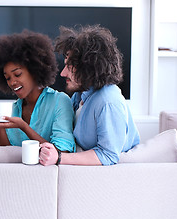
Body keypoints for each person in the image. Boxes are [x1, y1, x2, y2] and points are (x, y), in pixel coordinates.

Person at [39, 25, 140, 166]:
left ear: (89, 67)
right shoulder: (80, 95)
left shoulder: (108, 102)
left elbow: (108, 155)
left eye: (69, 66)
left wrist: (60, 158)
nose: (63, 73)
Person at [0, 30, 76, 153]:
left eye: (17, 74)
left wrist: (24, 127)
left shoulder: (59, 101)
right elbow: (5, 153)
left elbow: (61, 153)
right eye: (8, 78)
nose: (12, 82)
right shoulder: (15, 108)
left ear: (34, 71)